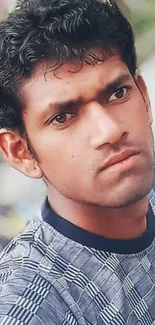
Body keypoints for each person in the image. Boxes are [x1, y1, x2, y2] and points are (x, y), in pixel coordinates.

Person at [0, 0, 155, 324]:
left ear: (143, 95)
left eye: (117, 94)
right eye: (62, 117)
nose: (109, 131)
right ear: (20, 152)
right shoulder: (33, 306)